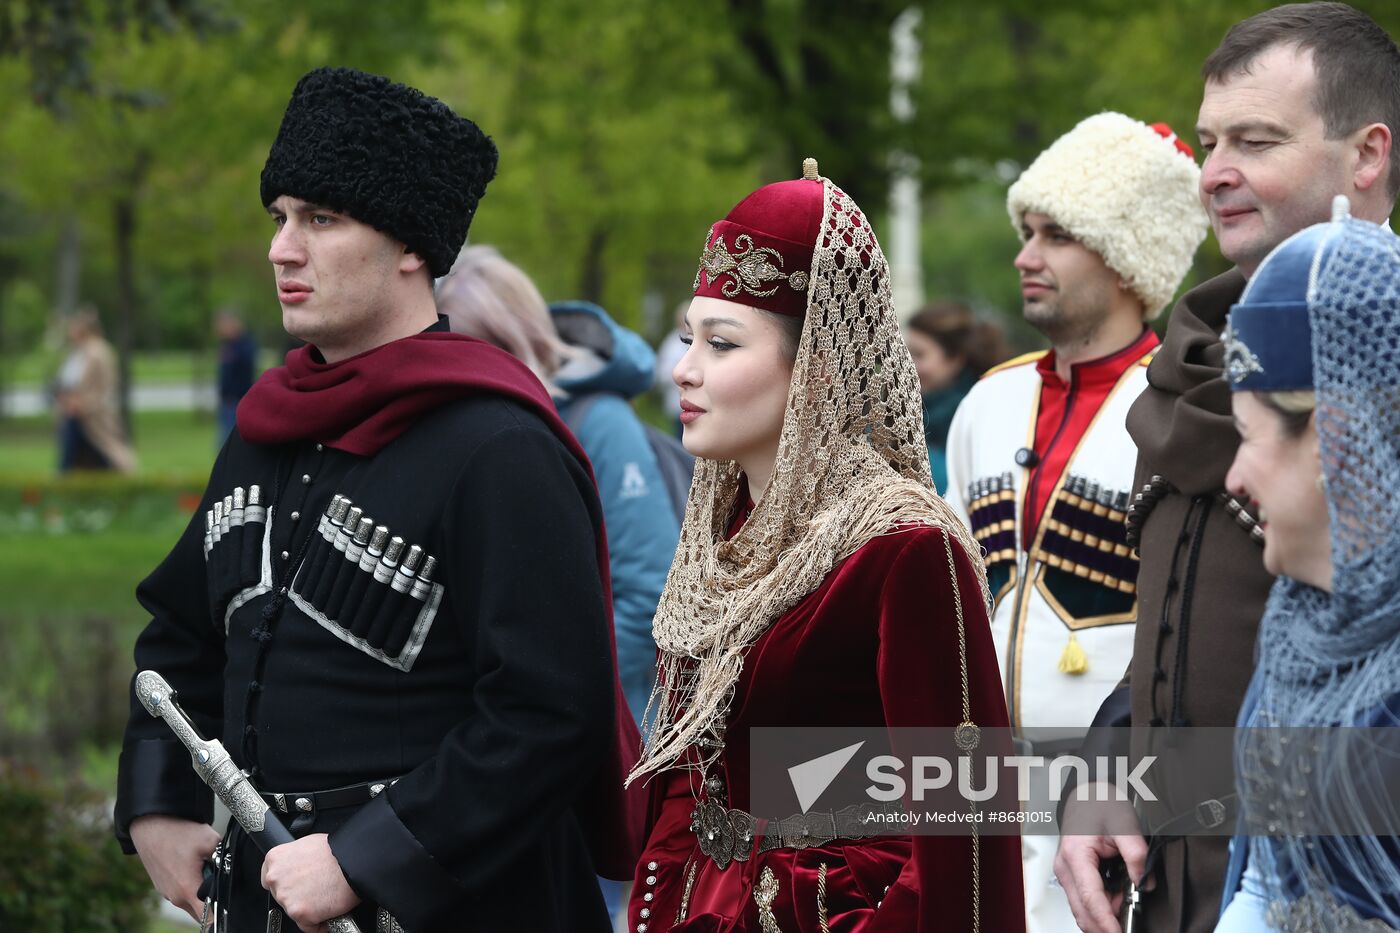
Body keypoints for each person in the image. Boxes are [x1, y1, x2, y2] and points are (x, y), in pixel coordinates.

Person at [112, 67, 641, 932]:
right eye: (280, 217)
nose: (284, 247)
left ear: (411, 249)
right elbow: (182, 636)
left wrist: (366, 854)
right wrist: (157, 800)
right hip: (266, 902)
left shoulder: (501, 448)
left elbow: (550, 715)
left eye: (322, 219)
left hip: (469, 905)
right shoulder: (263, 428)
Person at [1054, 6, 1400, 932]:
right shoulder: (1189, 359)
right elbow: (1167, 632)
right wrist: (1106, 769)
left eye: (1255, 139)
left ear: (1367, 156)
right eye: (1210, 141)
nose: (1214, 173)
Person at [624, 159, 1025, 932]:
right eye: (687, 338)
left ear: (814, 371)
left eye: (722, 343)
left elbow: (965, 838)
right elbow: (691, 773)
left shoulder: (904, 547)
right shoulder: (722, 535)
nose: (684, 369)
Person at [943, 111, 1207, 933]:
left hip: (1116, 811)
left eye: (1057, 234)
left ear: (1127, 259)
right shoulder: (987, 401)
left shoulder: (1182, 412)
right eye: (1027, 231)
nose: (1026, 256)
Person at [1215, 202, 1400, 929]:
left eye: (1246, 435)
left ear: (1336, 439)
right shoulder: (1299, 628)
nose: (1232, 476)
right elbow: (1264, 888)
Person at [435, 244, 681, 728]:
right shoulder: (477, 427)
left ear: (512, 340)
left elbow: (650, 595)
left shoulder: (600, 424)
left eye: (468, 353)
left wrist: (544, 692)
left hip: (609, 732)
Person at [903, 300, 1009, 494]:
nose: (908, 365)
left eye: (919, 355)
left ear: (955, 359)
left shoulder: (982, 412)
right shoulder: (910, 409)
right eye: (905, 353)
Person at [54, 307, 136, 473]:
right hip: (77, 413)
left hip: (92, 414)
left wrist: (83, 404)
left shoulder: (98, 352)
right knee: (84, 456)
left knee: (102, 452)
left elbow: (105, 386)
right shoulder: (79, 351)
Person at [215, 309, 258, 442]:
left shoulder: (244, 345)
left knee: (232, 440)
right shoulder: (227, 344)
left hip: (238, 400)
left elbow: (246, 372)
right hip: (226, 401)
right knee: (222, 442)